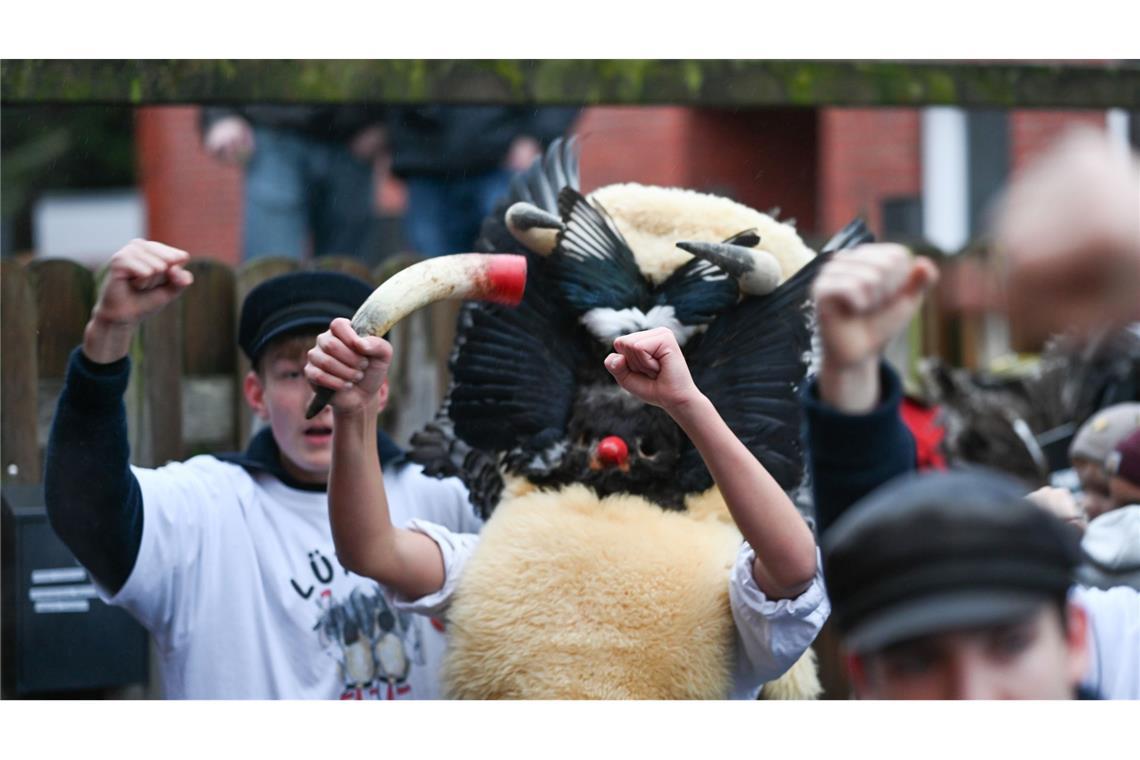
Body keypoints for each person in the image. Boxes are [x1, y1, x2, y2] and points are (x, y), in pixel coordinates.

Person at [44, 239, 481, 699]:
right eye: (295, 374)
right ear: (257, 395)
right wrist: (109, 331)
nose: (324, 398)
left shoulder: (445, 495)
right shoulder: (205, 503)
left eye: (345, 373)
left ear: (380, 390)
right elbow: (86, 508)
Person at [305, 321, 827, 698]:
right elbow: (372, 549)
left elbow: (793, 567)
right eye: (587, 437)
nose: (609, 450)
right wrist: (355, 413)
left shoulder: (718, 567)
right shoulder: (513, 553)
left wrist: (688, 405)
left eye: (644, 444)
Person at [804, 241, 1140, 699]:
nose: (972, 699)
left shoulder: (1123, 638)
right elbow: (871, 564)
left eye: (1010, 644)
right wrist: (850, 376)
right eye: (919, 661)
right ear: (865, 675)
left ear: (1077, 638)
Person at [385, 106, 579, 257]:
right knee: (429, 279)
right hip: (425, 160)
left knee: (508, 270)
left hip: (502, 158)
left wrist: (537, 135)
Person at [202, 105, 387, 261]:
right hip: (272, 130)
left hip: (356, 137)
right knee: (271, 270)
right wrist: (219, 113)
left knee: (350, 277)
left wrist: (387, 123)